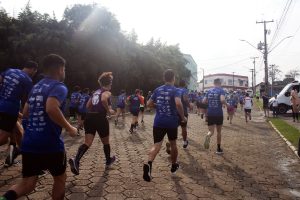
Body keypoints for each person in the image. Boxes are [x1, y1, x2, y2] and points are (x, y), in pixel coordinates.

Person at [1, 54, 77, 200]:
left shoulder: (35, 87)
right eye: (64, 69)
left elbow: (26, 113)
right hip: (51, 144)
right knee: (60, 179)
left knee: (27, 184)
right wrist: (69, 128)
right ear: (61, 69)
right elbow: (51, 108)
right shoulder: (59, 87)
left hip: (29, 143)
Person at [69, 72, 116, 175]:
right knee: (106, 142)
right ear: (110, 83)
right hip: (100, 118)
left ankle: (76, 160)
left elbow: (88, 105)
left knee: (87, 142)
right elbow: (103, 100)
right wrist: (109, 111)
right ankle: (108, 161)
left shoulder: (95, 92)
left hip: (89, 117)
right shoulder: (107, 92)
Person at [143, 69, 186, 182]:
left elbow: (148, 104)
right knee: (173, 144)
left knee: (156, 145)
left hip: (158, 122)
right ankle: (173, 165)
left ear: (164, 78)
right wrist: (182, 117)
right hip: (171, 122)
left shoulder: (157, 89)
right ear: (173, 78)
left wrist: (159, 106)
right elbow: (178, 103)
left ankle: (148, 164)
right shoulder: (176, 90)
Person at [0, 61, 38, 167]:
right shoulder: (27, 80)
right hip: (10, 109)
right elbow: (30, 100)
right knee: (3, 138)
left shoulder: (9, 71)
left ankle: (27, 161)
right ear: (33, 69)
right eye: (35, 71)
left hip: (2, 105)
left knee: (19, 133)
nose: (34, 73)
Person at [203, 78, 226, 155]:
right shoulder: (221, 90)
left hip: (210, 113)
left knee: (211, 131)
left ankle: (208, 136)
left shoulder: (209, 91)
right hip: (218, 113)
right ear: (219, 83)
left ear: (214, 83)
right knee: (218, 132)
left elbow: (204, 101)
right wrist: (227, 104)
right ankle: (218, 149)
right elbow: (222, 100)